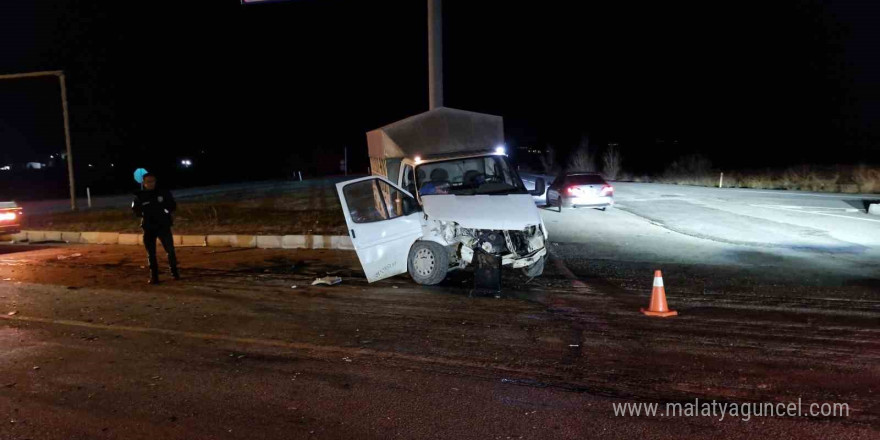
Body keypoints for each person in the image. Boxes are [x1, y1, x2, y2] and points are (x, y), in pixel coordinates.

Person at [132, 173, 179, 284]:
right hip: (149, 227)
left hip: (163, 225)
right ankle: (154, 276)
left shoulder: (163, 193)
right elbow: (136, 210)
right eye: (148, 181)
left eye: (152, 181)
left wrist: (164, 211)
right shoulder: (140, 196)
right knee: (151, 253)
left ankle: (175, 272)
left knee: (170, 250)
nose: (151, 183)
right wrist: (145, 213)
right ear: (144, 183)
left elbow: (172, 206)